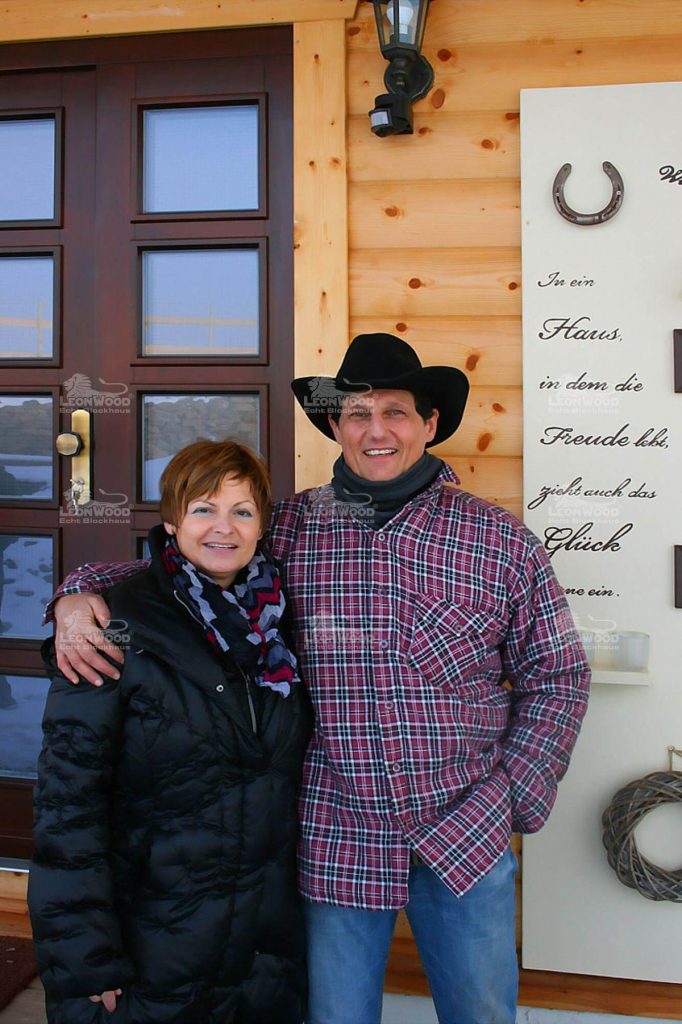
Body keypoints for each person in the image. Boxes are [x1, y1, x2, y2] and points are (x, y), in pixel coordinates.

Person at [48, 334, 590, 1024]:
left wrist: (511, 795)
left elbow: (559, 676)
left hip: (466, 825)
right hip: (337, 828)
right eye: (357, 413)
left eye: (395, 412)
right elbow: (183, 566)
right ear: (335, 425)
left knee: (481, 1012)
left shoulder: (500, 541)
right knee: (334, 1017)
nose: (376, 429)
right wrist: (77, 592)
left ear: (429, 424)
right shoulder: (293, 528)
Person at [30, 439, 310, 1024]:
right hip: (150, 947)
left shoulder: (282, 622)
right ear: (172, 520)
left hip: (263, 949)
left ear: (263, 523)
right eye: (204, 508)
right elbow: (68, 808)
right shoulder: (114, 624)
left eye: (242, 510)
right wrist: (86, 957)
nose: (223, 528)